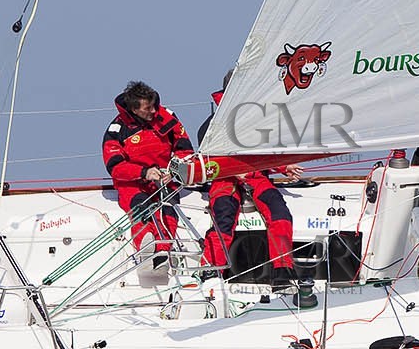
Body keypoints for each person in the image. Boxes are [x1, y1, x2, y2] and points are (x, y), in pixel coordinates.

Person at [198, 70, 305, 283]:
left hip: (255, 176)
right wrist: (234, 170)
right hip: (225, 178)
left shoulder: (259, 117)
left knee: (280, 214)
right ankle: (210, 270)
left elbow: (267, 149)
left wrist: (285, 166)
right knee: (223, 219)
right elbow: (205, 156)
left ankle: (282, 271)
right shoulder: (213, 124)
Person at [103, 80, 194, 269]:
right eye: (148, 108)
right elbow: (115, 167)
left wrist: (174, 170)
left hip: (165, 179)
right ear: (134, 110)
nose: (153, 111)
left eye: (154, 105)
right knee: (141, 208)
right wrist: (144, 173)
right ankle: (145, 248)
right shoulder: (117, 130)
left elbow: (185, 149)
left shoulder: (167, 117)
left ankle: (163, 252)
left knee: (169, 210)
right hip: (133, 183)